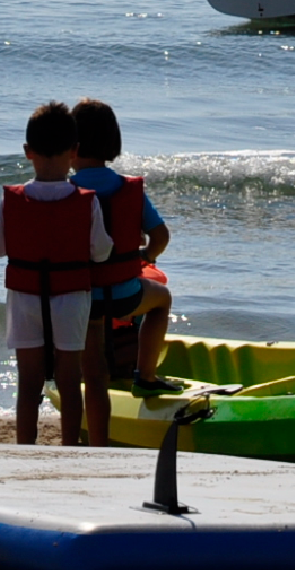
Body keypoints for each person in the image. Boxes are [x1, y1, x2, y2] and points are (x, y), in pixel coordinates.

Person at [0, 102, 112, 446]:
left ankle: (26, 447)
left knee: (28, 382)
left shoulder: (13, 199)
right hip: (71, 298)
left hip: (25, 297)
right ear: (74, 152)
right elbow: (101, 251)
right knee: (70, 379)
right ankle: (69, 446)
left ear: (28, 152)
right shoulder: (87, 201)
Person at [67, 99, 180, 447]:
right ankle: (146, 376)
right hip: (125, 294)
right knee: (162, 300)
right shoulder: (128, 188)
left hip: (82, 300)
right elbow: (161, 236)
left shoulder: (67, 190)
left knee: (92, 367)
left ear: (71, 145)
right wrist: (146, 255)